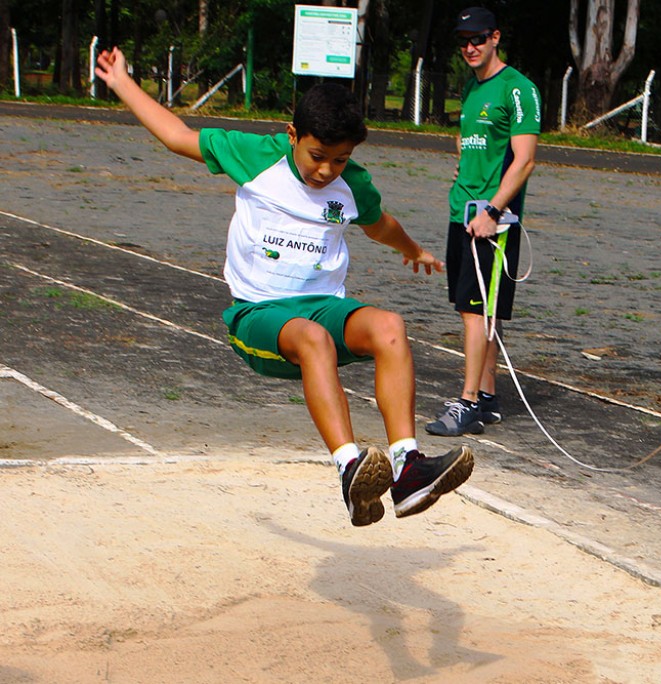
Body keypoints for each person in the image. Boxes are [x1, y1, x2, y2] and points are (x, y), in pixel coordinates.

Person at [94, 47, 474, 527]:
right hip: (258, 316)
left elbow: (380, 225)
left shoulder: (351, 184)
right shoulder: (254, 156)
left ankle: (408, 469)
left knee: (389, 326)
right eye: (317, 156)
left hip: (324, 308)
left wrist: (414, 250)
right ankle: (350, 469)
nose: (326, 171)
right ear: (293, 135)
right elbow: (176, 136)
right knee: (312, 339)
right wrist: (124, 82)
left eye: (340, 160)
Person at [426, 6, 541, 437]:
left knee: (476, 313)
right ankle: (488, 395)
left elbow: (525, 161)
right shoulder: (472, 90)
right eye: (463, 41)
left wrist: (493, 210)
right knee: (474, 312)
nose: (469, 47)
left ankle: (468, 402)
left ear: (495, 37)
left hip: (490, 221)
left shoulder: (518, 89)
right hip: (462, 213)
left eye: (477, 39)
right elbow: (473, 148)